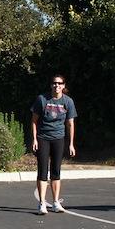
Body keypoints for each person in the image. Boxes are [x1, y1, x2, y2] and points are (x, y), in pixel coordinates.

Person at [31, 75, 76, 215]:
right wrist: (34, 139)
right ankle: (42, 203)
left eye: (59, 83)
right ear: (51, 85)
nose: (56, 85)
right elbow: (34, 121)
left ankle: (56, 202)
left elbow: (70, 123)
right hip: (43, 138)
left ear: (63, 85)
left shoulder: (68, 101)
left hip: (59, 138)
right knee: (43, 171)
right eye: (54, 83)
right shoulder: (42, 99)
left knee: (56, 171)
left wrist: (71, 144)